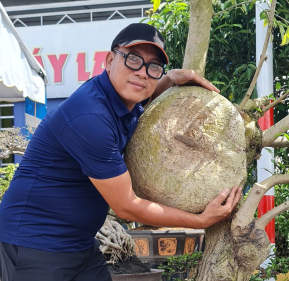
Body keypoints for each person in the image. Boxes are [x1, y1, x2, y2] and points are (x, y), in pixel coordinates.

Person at [0, 23, 242, 281]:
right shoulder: (90, 117)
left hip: (80, 246)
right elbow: (127, 206)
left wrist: (169, 79)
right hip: (33, 246)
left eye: (153, 67)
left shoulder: (119, 100)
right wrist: (201, 220)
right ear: (109, 60)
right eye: (133, 59)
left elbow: (143, 94)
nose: (142, 73)